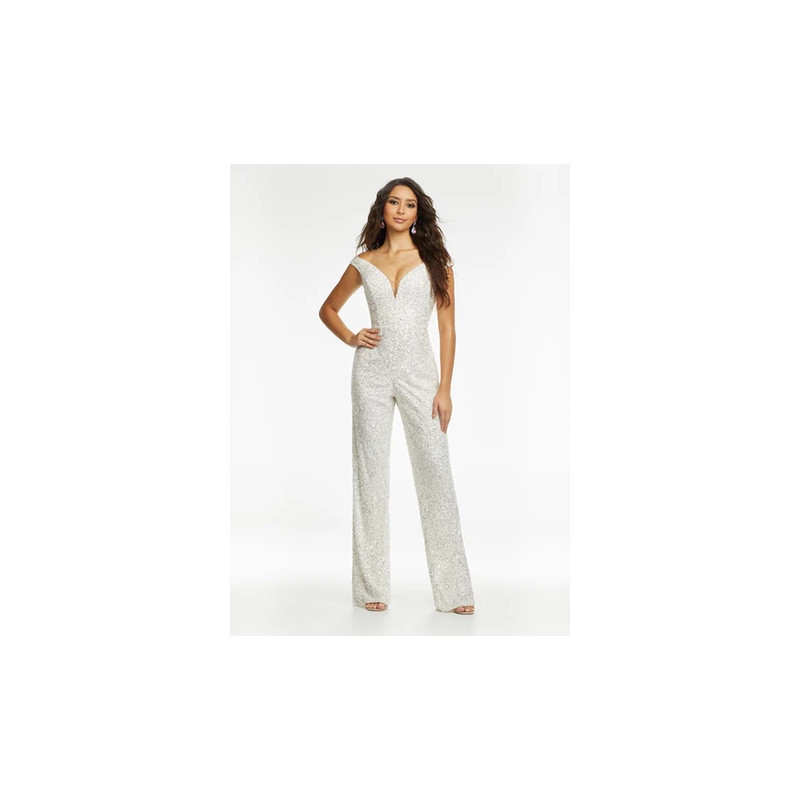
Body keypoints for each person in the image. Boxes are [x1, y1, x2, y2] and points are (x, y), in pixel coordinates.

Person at [318, 178, 475, 615]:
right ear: (383, 209)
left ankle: (455, 591)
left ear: (418, 213)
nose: (402, 210)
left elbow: (447, 328)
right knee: (370, 476)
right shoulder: (364, 263)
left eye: (410, 204)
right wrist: (352, 336)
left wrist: (445, 388)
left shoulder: (435, 263)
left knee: (435, 475)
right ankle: (371, 586)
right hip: (370, 373)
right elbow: (328, 309)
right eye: (394, 202)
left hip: (420, 377)